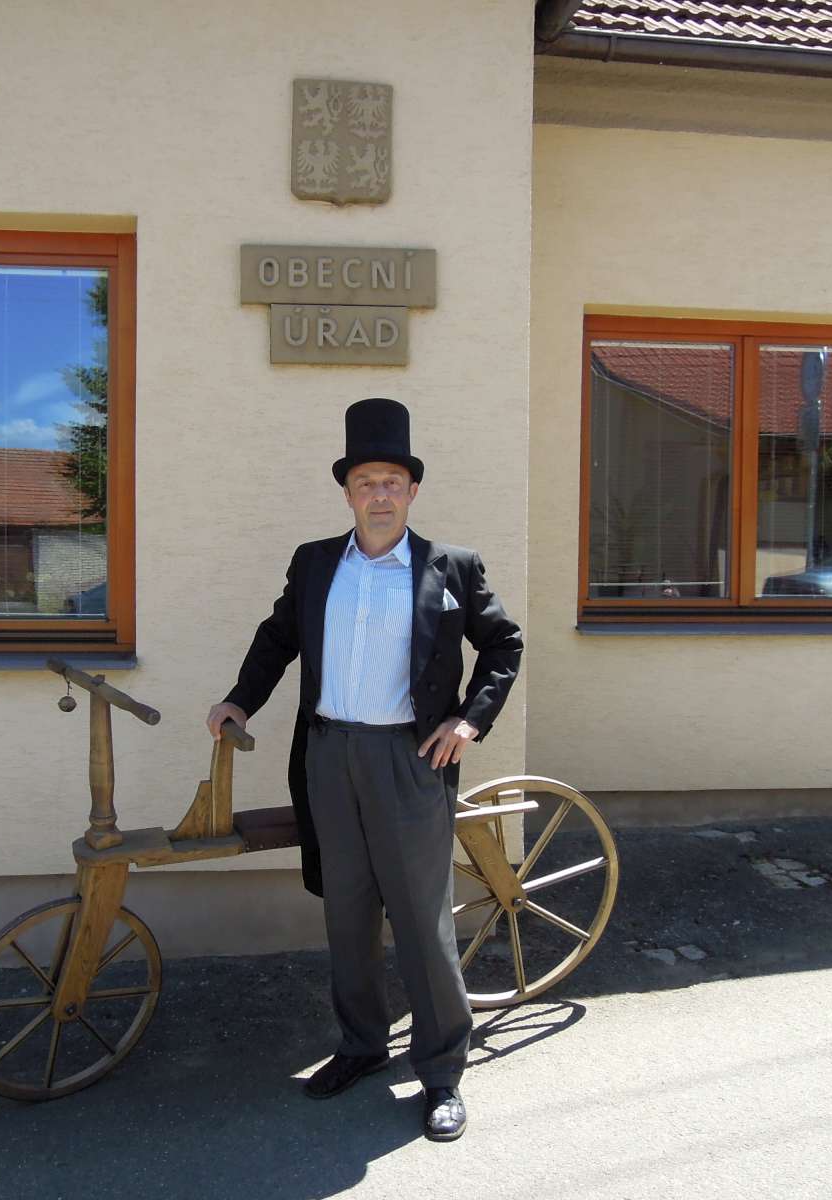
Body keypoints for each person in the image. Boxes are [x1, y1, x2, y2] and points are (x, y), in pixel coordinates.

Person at [206, 397, 523, 1143]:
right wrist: (240, 699)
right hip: (329, 754)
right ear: (347, 493)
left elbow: (503, 645)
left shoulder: (451, 567)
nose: (379, 495)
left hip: (409, 760)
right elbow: (278, 636)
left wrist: (469, 719)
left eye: (391, 482)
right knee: (346, 910)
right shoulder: (316, 562)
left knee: (420, 918)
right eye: (365, 482)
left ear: (412, 491)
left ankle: (441, 1070)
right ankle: (361, 1045)